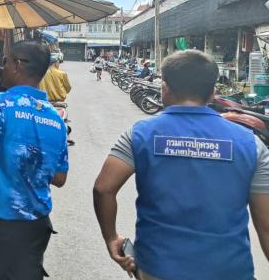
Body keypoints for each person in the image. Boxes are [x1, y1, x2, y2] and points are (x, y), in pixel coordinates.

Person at [92, 50, 269, 280]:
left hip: (157, 268)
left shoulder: (139, 134)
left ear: (164, 87)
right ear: (212, 92)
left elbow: (103, 189)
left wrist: (111, 238)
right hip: (230, 270)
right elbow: (266, 227)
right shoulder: (251, 144)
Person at [0, 40, 69, 279]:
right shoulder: (56, 119)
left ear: (17, 65)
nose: (2, 66)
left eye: (5, 61)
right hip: (36, 227)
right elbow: (59, 177)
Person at [39, 53, 74, 146]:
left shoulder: (40, 73)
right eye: (58, 62)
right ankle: (67, 136)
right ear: (55, 63)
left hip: (44, 102)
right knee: (64, 120)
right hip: (59, 104)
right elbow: (68, 88)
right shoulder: (62, 74)